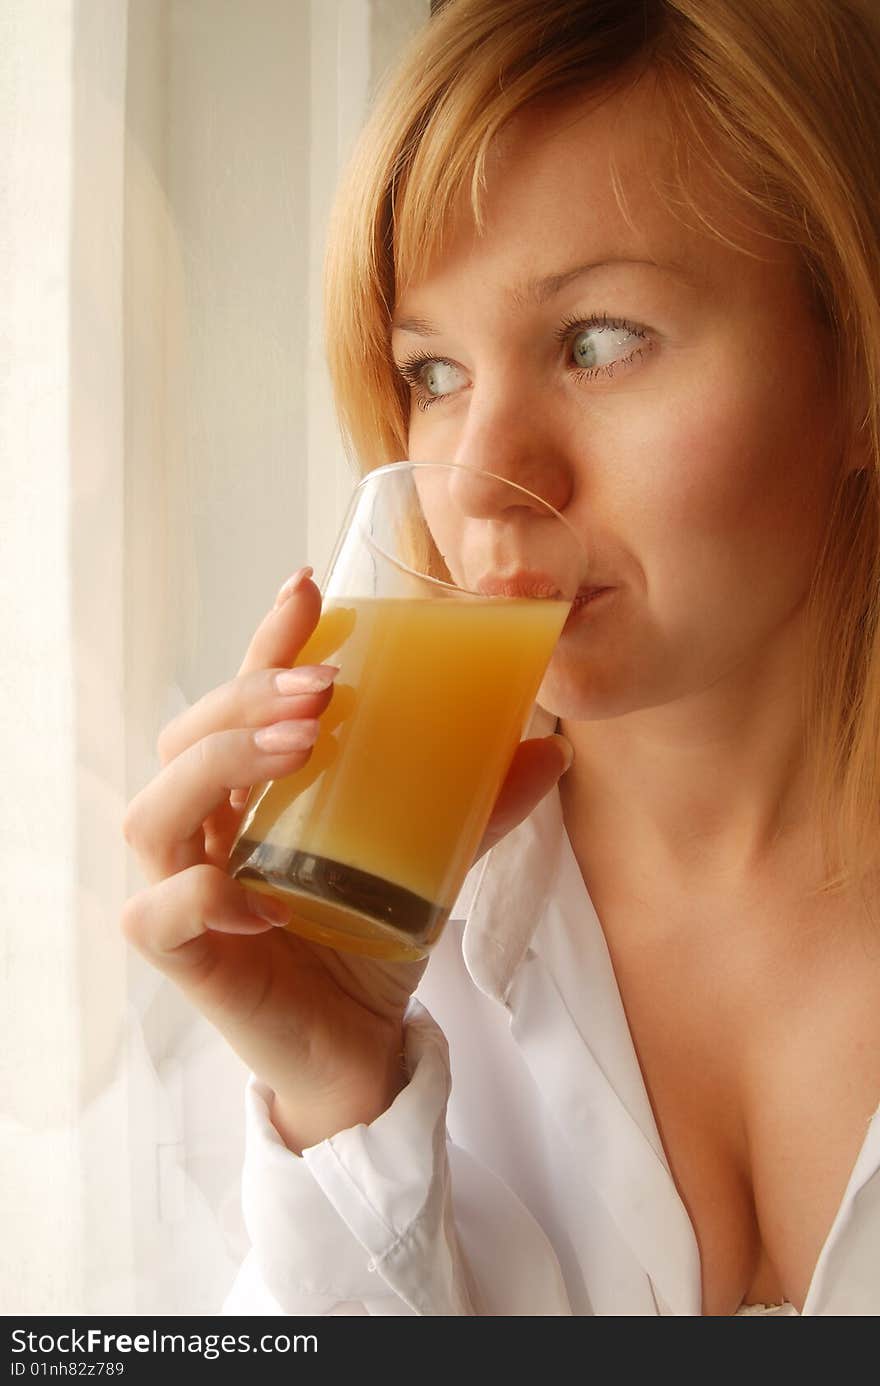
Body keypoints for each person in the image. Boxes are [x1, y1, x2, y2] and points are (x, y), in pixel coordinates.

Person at [121, 0, 880, 1315]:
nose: (476, 474)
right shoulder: (362, 922)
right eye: (433, 369)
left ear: (859, 358)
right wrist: (340, 1090)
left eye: (598, 340)